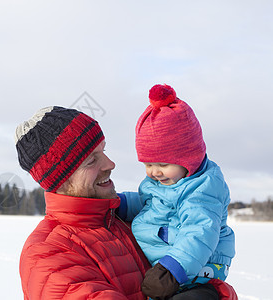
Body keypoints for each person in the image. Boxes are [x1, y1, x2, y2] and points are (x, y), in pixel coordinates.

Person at [15, 105, 237, 300]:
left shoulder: (120, 221)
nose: (110, 164)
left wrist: (214, 292)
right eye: (91, 160)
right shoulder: (50, 256)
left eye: (104, 151)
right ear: (60, 179)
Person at [118, 84, 236, 299]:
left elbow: (199, 232)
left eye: (162, 164)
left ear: (188, 159)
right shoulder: (165, 182)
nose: (154, 172)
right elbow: (150, 205)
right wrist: (121, 203)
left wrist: (172, 269)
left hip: (198, 268)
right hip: (170, 265)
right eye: (147, 164)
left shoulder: (201, 189)